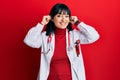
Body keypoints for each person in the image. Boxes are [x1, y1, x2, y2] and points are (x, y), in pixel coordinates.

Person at [24, 3, 99, 80]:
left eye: (66, 16)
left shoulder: (75, 35)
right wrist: (41, 24)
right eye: (59, 16)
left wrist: (78, 23)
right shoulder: (45, 37)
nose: (63, 19)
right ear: (52, 18)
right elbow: (29, 40)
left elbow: (94, 36)